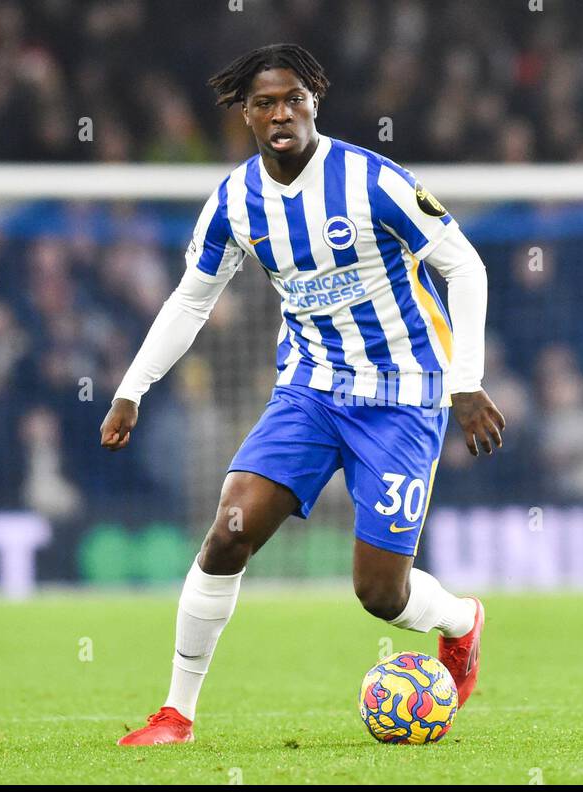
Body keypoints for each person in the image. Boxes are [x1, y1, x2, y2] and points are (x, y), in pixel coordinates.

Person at [100, 44, 504, 744]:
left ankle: (462, 621)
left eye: (294, 99)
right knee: (229, 532)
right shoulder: (234, 201)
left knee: (380, 593)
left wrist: (466, 383)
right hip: (310, 392)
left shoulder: (373, 181)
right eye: (265, 103)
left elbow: (464, 267)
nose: (281, 113)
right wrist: (132, 389)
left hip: (403, 397)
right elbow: (191, 300)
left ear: (315, 102)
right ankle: (176, 714)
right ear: (246, 116)